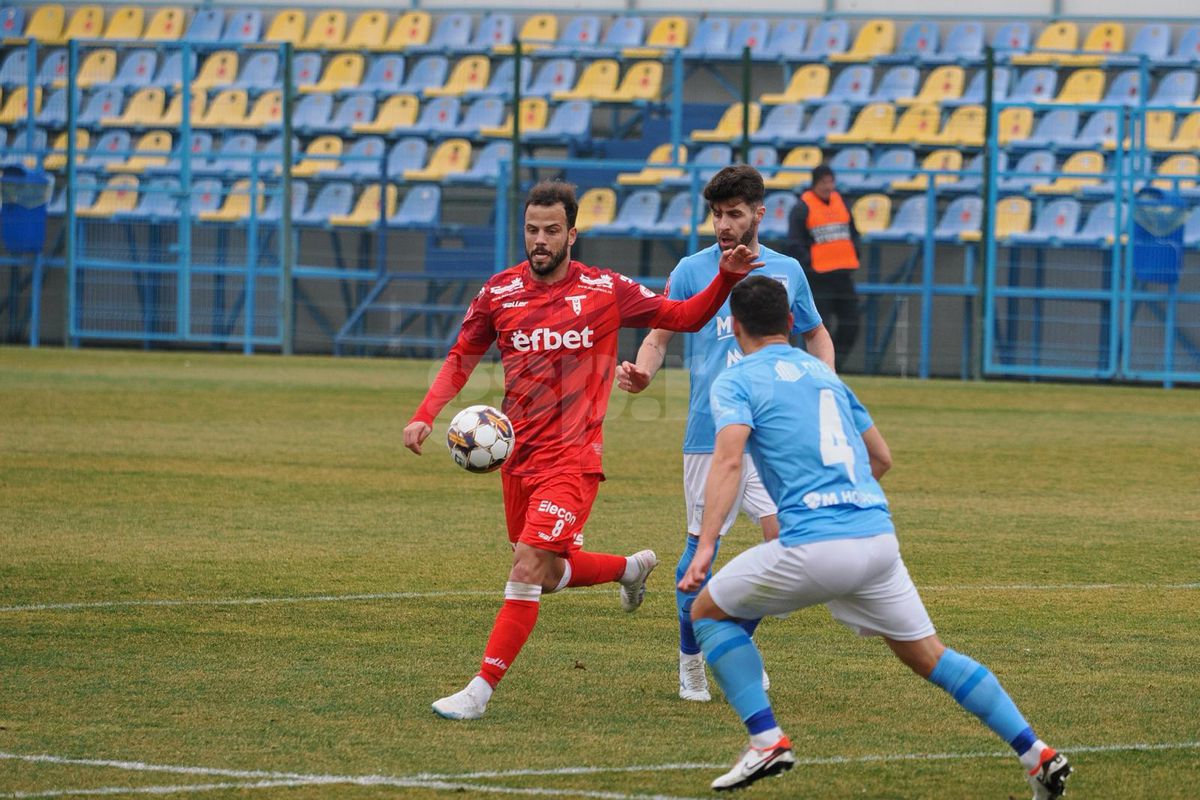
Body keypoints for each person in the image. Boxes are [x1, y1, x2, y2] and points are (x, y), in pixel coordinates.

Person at [678, 275, 1072, 798]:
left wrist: (706, 546)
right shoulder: (825, 377)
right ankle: (1036, 753)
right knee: (929, 655)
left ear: (735, 326)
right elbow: (881, 457)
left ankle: (766, 739)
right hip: (877, 538)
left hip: (816, 544)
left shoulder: (736, 379)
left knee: (707, 611)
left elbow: (728, 461)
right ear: (791, 322)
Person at [403, 179, 764, 721]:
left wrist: (725, 279)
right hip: (517, 459)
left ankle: (478, 691)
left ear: (572, 234)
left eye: (551, 230)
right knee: (547, 574)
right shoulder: (499, 292)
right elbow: (461, 356)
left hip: (573, 460)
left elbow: (683, 317)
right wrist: (425, 413)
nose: (540, 240)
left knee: (527, 566)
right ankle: (628, 569)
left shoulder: (604, 289)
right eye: (532, 230)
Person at [618, 164, 835, 702]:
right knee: (700, 552)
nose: (723, 225)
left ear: (759, 214)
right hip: (710, 434)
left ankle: (734, 642)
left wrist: (824, 384)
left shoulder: (787, 271)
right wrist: (643, 372)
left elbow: (817, 334)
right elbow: (659, 337)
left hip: (772, 435)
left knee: (789, 547)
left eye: (734, 214)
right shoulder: (693, 270)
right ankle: (691, 661)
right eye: (717, 214)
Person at [785, 164, 862, 368]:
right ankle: (818, 367)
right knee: (820, 326)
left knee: (851, 323)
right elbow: (794, 242)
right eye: (824, 182)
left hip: (843, 276)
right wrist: (810, 264)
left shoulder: (841, 202)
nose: (828, 186)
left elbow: (853, 233)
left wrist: (855, 253)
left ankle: (834, 365)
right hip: (818, 279)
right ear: (815, 183)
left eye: (831, 182)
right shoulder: (802, 208)